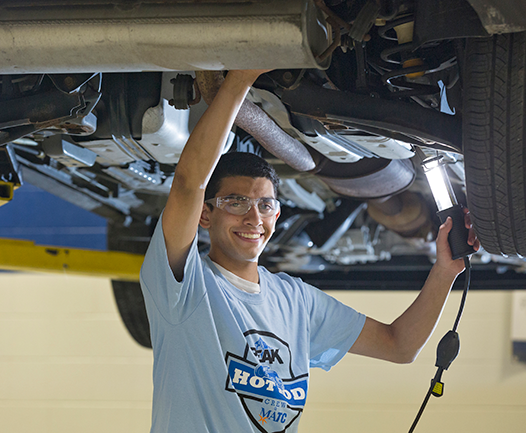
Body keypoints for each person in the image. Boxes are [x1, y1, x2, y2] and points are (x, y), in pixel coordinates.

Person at [140, 69, 479, 433]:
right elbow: (190, 182)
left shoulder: (295, 302)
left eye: (265, 205)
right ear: (206, 214)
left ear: (277, 213)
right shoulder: (183, 286)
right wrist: (240, 78)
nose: (254, 217)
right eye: (236, 202)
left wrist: (445, 271)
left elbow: (399, 345)